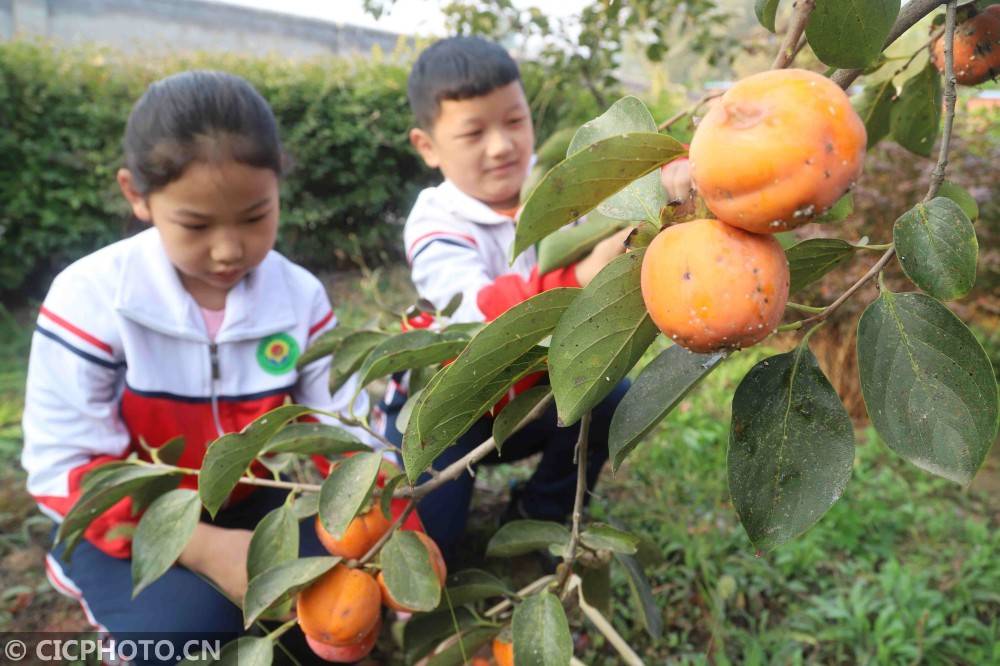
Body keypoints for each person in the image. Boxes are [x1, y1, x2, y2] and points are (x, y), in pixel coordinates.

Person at [20, 70, 375, 663]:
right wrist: (201, 545)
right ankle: (99, 596)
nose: (229, 249)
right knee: (189, 632)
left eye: (255, 216)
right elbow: (65, 465)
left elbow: (343, 431)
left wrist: (378, 515)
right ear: (137, 195)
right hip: (123, 520)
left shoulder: (299, 297)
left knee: (322, 615)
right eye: (196, 225)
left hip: (254, 497)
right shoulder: (92, 298)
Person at [377, 36, 637, 564]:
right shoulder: (435, 221)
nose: (501, 146)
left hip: (531, 396)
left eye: (514, 122)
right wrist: (583, 274)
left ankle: (538, 516)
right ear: (427, 146)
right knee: (434, 547)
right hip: (449, 411)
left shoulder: (559, 188)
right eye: (473, 132)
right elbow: (481, 320)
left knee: (610, 393)